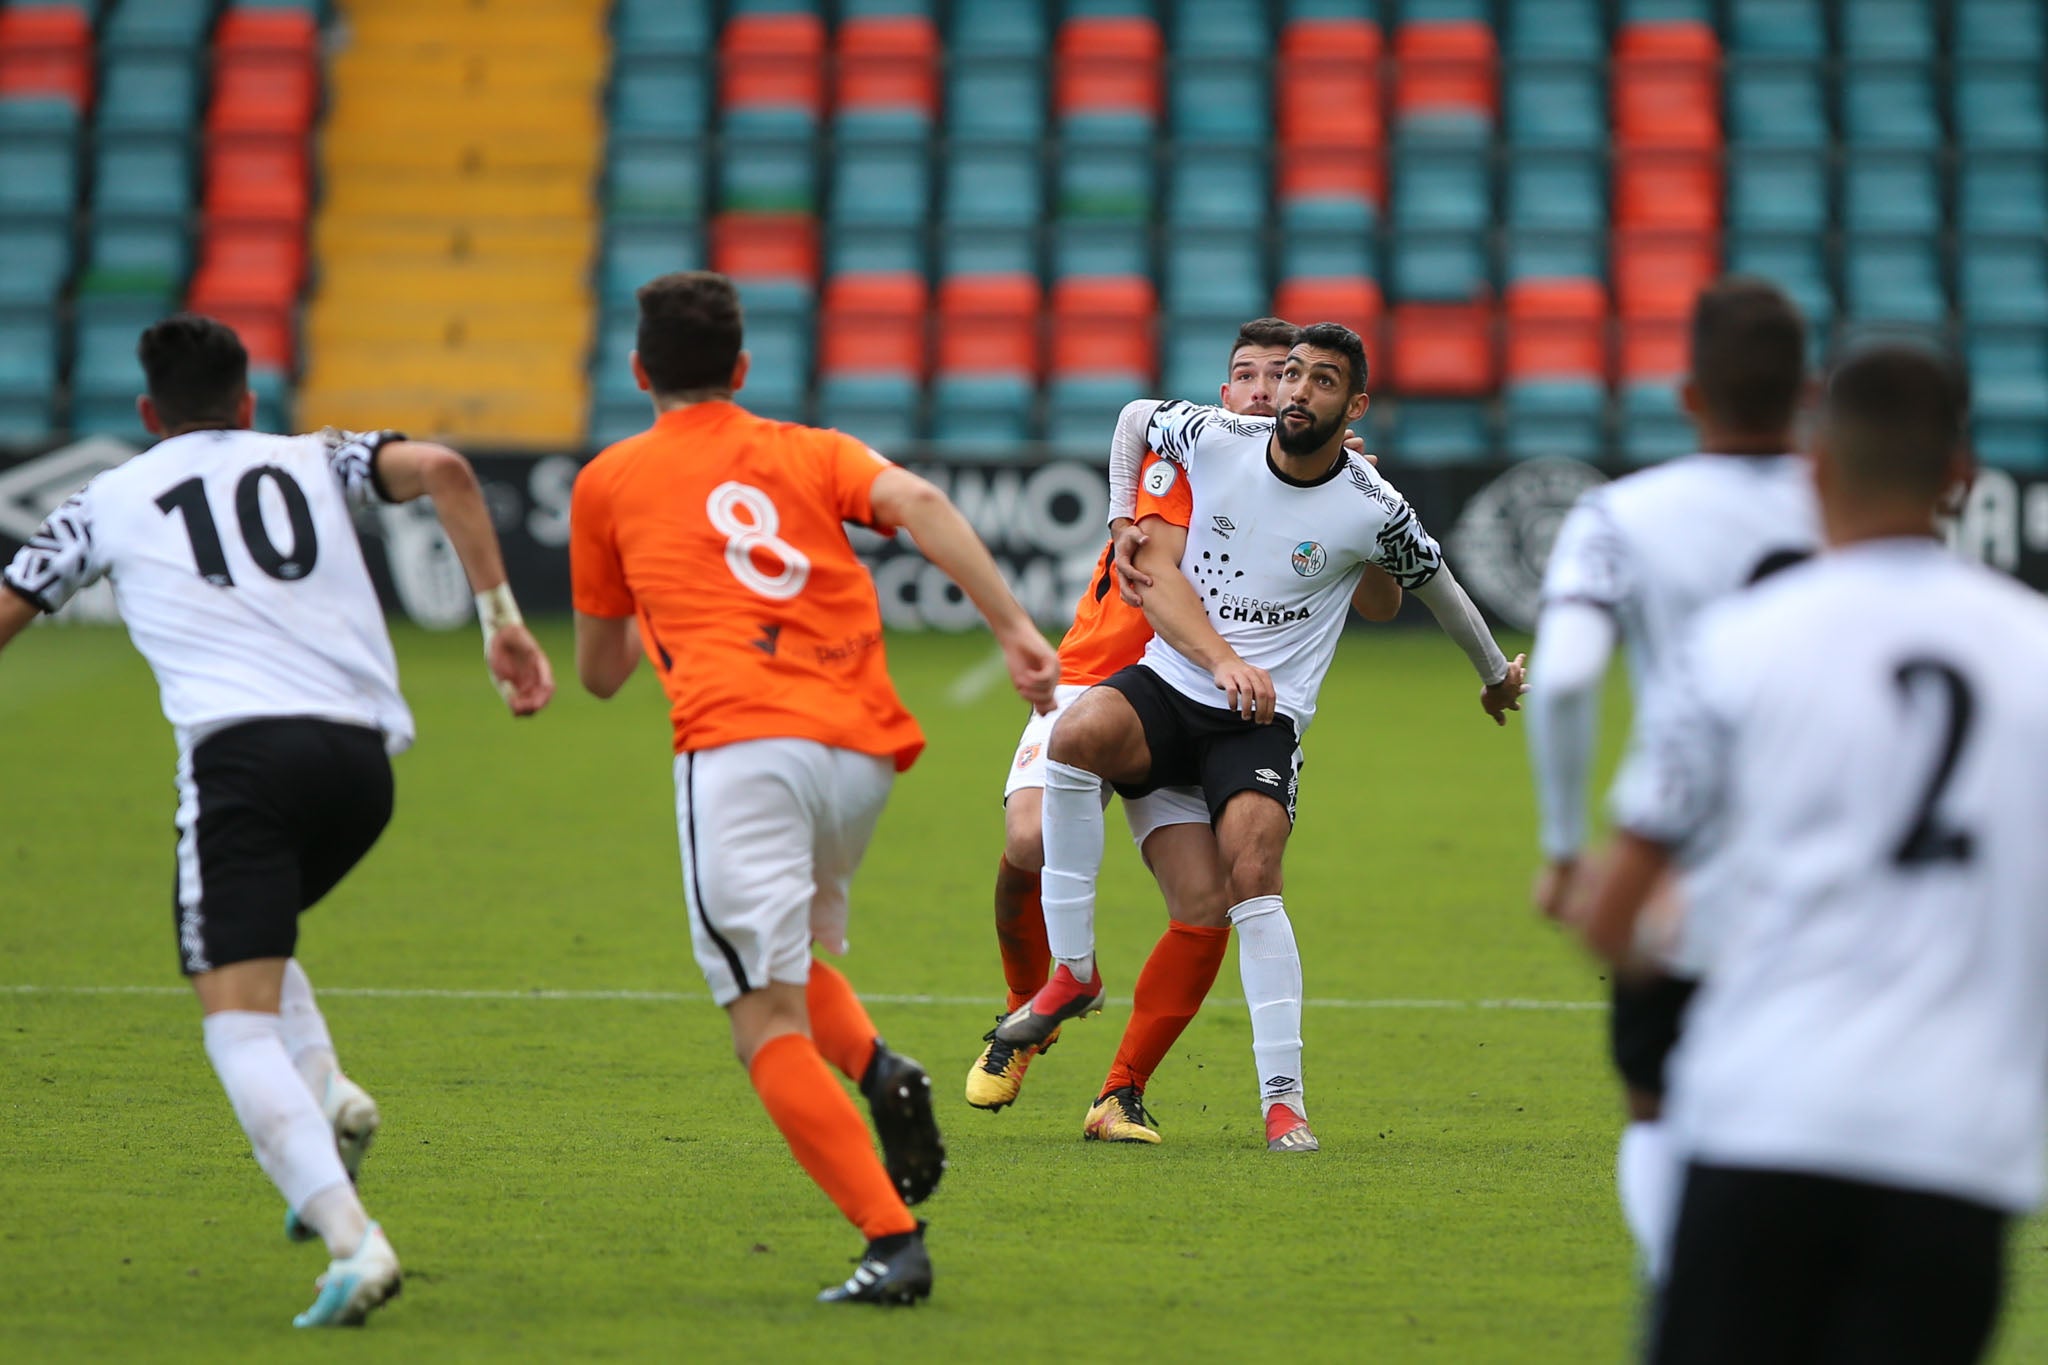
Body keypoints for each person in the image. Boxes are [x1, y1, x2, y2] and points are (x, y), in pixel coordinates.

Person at [0, 314, 555, 1327]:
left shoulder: (104, 499)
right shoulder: (313, 456)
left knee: (233, 1018)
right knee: (246, 935)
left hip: (242, 761)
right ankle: (331, 1101)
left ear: (146, 415)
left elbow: (11, 605)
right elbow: (446, 470)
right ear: (248, 403)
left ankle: (353, 1241)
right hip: (360, 767)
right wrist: (502, 625)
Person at [569, 271, 1059, 1305]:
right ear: (742, 369)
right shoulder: (807, 449)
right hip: (860, 751)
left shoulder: (609, 480)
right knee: (780, 960)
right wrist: (1015, 629)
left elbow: (602, 674)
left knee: (759, 1013)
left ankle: (891, 1240)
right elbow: (919, 502)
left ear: (636, 371)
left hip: (741, 747)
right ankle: (880, 1070)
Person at [1572, 345, 2044, 1365]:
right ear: (1960, 480)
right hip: (1958, 1145)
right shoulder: (2034, 651)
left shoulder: (1737, 644)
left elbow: (1621, 921)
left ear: (1814, 467)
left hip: (1764, 1116)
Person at [1005, 322, 1525, 1154]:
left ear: (1353, 405)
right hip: (1172, 687)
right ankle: (1073, 969)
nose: (1295, 392)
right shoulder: (1218, 436)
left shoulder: (1373, 505)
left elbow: (1443, 589)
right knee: (1078, 733)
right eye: (1291, 376)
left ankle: (1284, 1102)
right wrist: (1116, 518)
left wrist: (1495, 673)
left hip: (1260, 721)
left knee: (1253, 870)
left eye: (1322, 382)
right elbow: (1135, 415)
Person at [1524, 277, 1820, 1279]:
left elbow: (1562, 679)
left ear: (1686, 394)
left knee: (1657, 1106)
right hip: (1838, 857)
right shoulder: (1855, 501)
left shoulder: (1620, 514)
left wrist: (1566, 850)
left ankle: (1690, 1292)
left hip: (1684, 864)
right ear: (1806, 391)